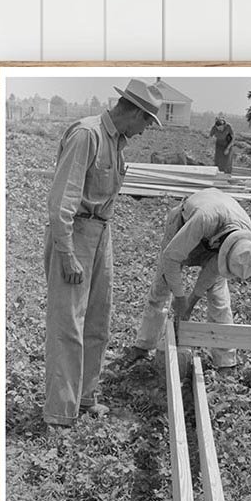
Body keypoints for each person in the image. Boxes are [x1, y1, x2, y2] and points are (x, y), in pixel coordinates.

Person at [42, 78, 163, 427]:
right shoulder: (87, 135)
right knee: (67, 325)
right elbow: (61, 203)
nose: (144, 131)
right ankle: (59, 414)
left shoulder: (118, 144)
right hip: (75, 232)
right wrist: (66, 254)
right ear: (135, 112)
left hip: (100, 232)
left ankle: (84, 398)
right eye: (146, 122)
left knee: (97, 322)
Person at [127, 187, 251, 369]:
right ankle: (143, 345)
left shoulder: (246, 243)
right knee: (161, 287)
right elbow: (171, 258)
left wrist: (191, 302)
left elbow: (212, 272)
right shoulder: (204, 219)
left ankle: (225, 362)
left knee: (219, 298)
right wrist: (180, 297)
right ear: (226, 248)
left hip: (216, 238)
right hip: (184, 224)